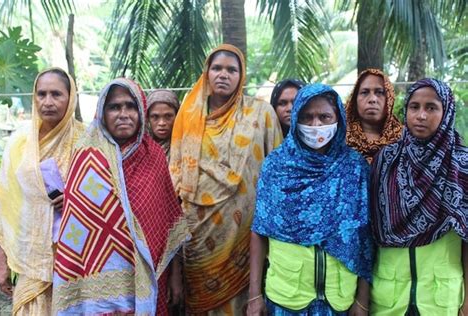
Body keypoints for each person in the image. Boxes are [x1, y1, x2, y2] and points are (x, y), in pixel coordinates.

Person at [52, 78, 189, 315]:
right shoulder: (86, 159)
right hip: (98, 287)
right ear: (102, 113)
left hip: (151, 275)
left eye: (131, 106)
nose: (123, 114)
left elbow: (169, 223)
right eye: (114, 107)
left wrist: (176, 276)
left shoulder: (154, 156)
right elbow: (75, 231)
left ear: (141, 111)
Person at [169, 44, 282, 314]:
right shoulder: (188, 116)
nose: (223, 75)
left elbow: (278, 171)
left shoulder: (261, 114)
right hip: (198, 236)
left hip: (246, 237)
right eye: (217, 68)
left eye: (232, 69)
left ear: (241, 75)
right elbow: (175, 175)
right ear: (206, 73)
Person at [248, 83, 373, 316]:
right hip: (287, 299)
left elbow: (364, 237)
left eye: (325, 117)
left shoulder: (354, 168)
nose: (316, 125)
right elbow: (260, 230)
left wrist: (362, 300)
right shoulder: (276, 166)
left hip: (339, 300)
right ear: (296, 119)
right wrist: (255, 295)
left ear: (339, 118)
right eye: (307, 117)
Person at [370, 78, 467, 315]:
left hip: (440, 300)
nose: (421, 115)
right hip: (389, 298)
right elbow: (369, 232)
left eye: (431, 108)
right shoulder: (386, 161)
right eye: (414, 107)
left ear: (446, 112)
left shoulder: (461, 166)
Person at [0, 68, 85, 315]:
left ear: (71, 97)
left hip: (77, 262)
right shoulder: (19, 143)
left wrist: (77, 199)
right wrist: (3, 262)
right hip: (30, 262)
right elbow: (7, 207)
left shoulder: (86, 140)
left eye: (56, 94)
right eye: (41, 94)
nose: (47, 102)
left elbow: (107, 196)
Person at [345, 69, 402, 163]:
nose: (372, 99)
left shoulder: (403, 138)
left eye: (379, 92)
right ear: (354, 100)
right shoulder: (340, 137)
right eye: (365, 92)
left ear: (390, 99)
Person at [146, 89, 180, 161]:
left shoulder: (186, 146)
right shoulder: (140, 148)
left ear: (177, 116)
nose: (162, 123)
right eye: (155, 117)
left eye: (168, 116)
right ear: (147, 118)